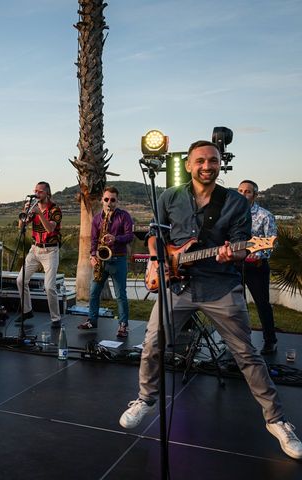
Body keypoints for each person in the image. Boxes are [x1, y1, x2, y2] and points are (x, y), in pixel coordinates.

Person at [118, 140, 302, 460]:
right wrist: (158, 259)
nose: (207, 166)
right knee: (152, 343)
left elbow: (245, 247)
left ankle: (277, 421)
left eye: (213, 161)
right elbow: (154, 235)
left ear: (221, 165)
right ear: (189, 165)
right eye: (200, 160)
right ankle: (146, 399)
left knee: (246, 354)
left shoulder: (234, 202)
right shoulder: (169, 197)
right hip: (178, 287)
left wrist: (236, 251)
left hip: (220, 286)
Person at [78, 186, 134, 337]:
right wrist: (92, 256)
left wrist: (116, 238)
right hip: (101, 262)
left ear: (117, 201)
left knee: (121, 295)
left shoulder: (124, 216)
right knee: (94, 292)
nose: (110, 202)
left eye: (113, 200)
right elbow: (94, 240)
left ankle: (123, 325)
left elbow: (130, 236)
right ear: (102, 200)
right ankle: (91, 320)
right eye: (107, 199)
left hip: (118, 259)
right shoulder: (97, 218)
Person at [237, 180, 278, 355]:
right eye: (240, 191)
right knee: (236, 305)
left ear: (255, 195)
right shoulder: (231, 213)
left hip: (257, 267)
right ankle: (238, 341)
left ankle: (270, 341)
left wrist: (259, 255)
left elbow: (271, 243)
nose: (243, 194)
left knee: (262, 305)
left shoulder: (265, 215)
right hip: (235, 266)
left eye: (247, 192)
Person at [16, 181, 63, 327]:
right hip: (35, 249)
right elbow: (21, 226)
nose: (37, 193)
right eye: (35, 190)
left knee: (49, 287)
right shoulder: (33, 208)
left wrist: (39, 213)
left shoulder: (55, 210)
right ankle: (27, 311)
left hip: (50, 251)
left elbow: (49, 229)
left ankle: (56, 319)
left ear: (47, 194)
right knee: (20, 280)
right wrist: (25, 212)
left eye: (40, 191)